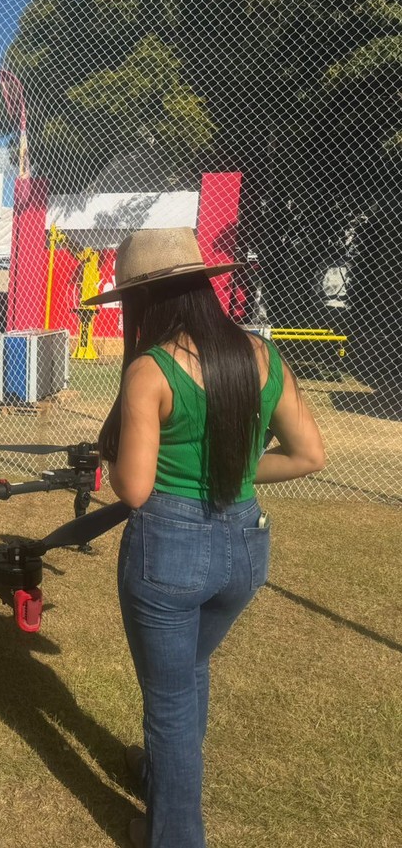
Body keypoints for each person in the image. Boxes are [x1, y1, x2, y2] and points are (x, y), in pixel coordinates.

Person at [89, 228, 325, 848]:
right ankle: (165, 778)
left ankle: (174, 837)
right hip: (245, 548)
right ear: (203, 283)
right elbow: (307, 455)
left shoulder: (150, 369)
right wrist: (240, 469)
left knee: (167, 699)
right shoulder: (264, 356)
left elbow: (134, 491)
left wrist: (113, 456)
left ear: (143, 302)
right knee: (191, 670)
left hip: (169, 553)